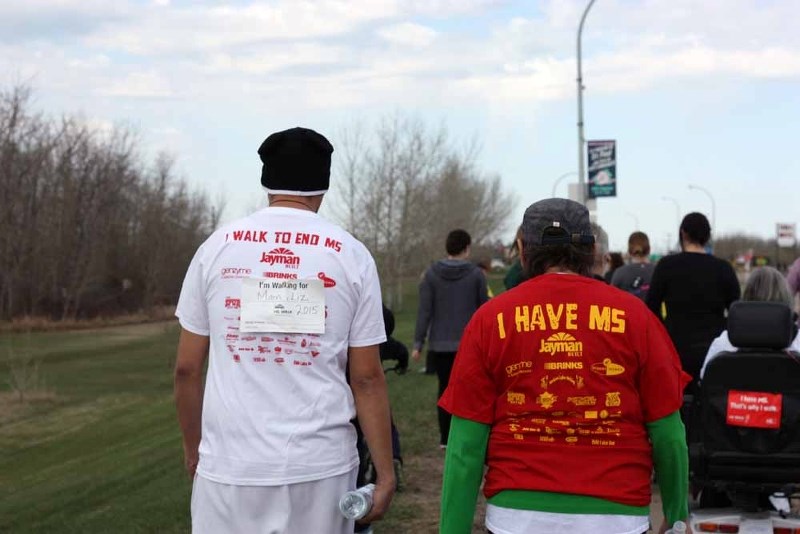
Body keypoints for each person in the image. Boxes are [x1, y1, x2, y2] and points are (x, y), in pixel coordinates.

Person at [173, 127, 395, 534]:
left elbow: (187, 369)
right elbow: (366, 377)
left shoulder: (216, 248)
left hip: (229, 465)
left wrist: (195, 450)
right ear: (323, 186)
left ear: (266, 181)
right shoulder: (350, 254)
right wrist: (385, 474)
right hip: (320, 467)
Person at [439, 198, 691, 534]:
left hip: (517, 516)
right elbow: (668, 433)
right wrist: (676, 516)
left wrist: (451, 530)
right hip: (616, 515)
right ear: (591, 251)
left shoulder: (489, 320)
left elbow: (464, 447)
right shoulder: (636, 318)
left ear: (522, 248)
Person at [412, 229, 489, 448]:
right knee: (470, 391)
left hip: (440, 344)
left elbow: (424, 311)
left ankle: (445, 438)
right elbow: (484, 311)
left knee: (444, 389)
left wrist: (418, 343)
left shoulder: (431, 274)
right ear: (466, 248)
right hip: (469, 345)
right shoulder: (476, 275)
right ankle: (467, 436)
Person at [646, 212, 741, 386]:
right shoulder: (723, 268)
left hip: (674, 350)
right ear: (707, 237)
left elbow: (650, 308)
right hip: (714, 352)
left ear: (683, 233)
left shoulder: (667, 266)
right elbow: (737, 312)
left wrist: (664, 333)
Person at [700, 266, 800, 378]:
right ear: (787, 299)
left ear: (747, 297)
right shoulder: (798, 344)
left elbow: (705, 382)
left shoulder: (723, 343)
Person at [611, 231, 655, 301]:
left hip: (627, 311)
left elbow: (612, 300)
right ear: (649, 249)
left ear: (629, 251)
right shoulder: (658, 271)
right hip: (652, 312)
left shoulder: (620, 273)